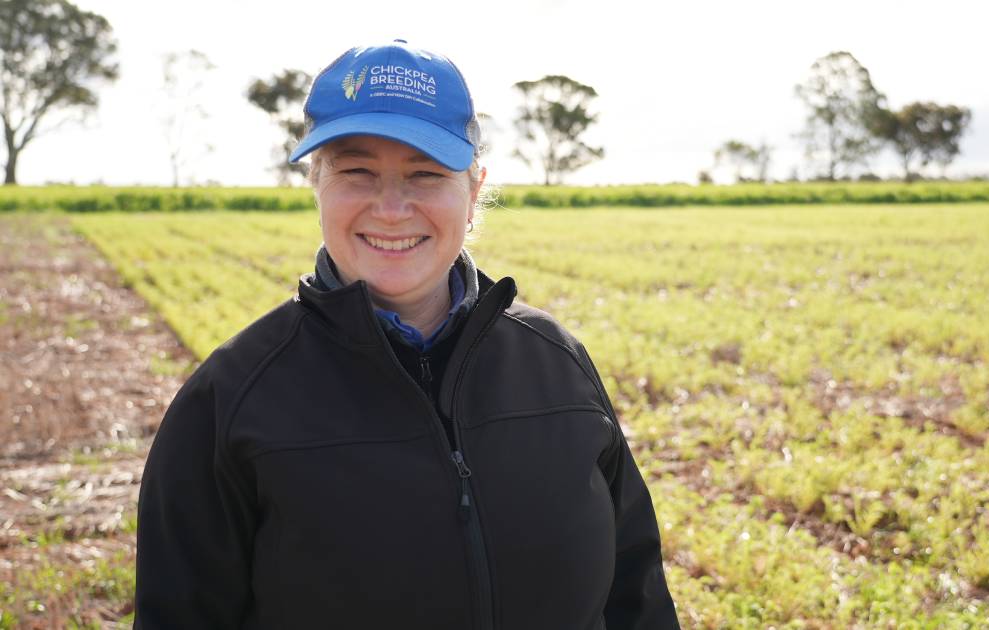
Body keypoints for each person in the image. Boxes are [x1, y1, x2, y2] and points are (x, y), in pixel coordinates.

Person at [133, 39, 680, 629]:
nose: (391, 208)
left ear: (473, 192)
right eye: (357, 171)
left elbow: (636, 593)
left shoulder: (558, 364)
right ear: (316, 184)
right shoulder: (230, 399)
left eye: (425, 174)